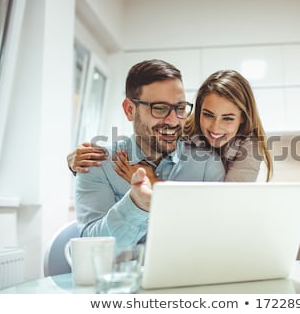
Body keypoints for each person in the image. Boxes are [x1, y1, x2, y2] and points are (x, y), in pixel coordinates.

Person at [75, 59, 225, 247]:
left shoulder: (207, 165)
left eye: (180, 108)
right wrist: (136, 205)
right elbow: (89, 250)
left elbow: (217, 240)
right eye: (160, 108)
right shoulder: (97, 164)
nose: (173, 121)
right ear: (130, 110)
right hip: (125, 276)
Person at [68, 69, 273, 182]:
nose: (215, 127)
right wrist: (76, 159)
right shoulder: (183, 129)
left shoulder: (250, 148)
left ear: (242, 119)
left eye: (228, 118)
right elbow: (143, 138)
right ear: (198, 109)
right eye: (208, 115)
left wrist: (154, 183)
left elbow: (227, 206)